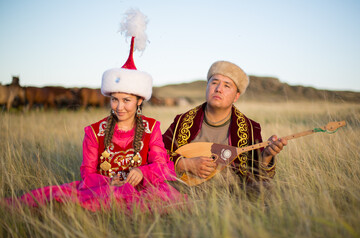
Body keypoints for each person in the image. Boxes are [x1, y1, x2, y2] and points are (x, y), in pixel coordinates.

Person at [5, 33, 183, 212]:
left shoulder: (151, 128)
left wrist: (141, 172)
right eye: (114, 99)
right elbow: (87, 175)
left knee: (163, 200)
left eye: (126, 100)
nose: (119, 107)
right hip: (105, 189)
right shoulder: (94, 131)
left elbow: (162, 167)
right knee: (62, 199)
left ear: (139, 101)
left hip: (144, 188)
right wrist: (111, 181)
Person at [163, 60, 287, 190]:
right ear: (207, 87)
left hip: (230, 194)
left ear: (236, 96)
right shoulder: (182, 121)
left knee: (267, 190)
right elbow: (158, 154)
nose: (218, 89)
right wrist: (184, 164)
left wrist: (267, 156)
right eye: (214, 82)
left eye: (227, 86)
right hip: (183, 189)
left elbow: (257, 178)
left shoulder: (250, 128)